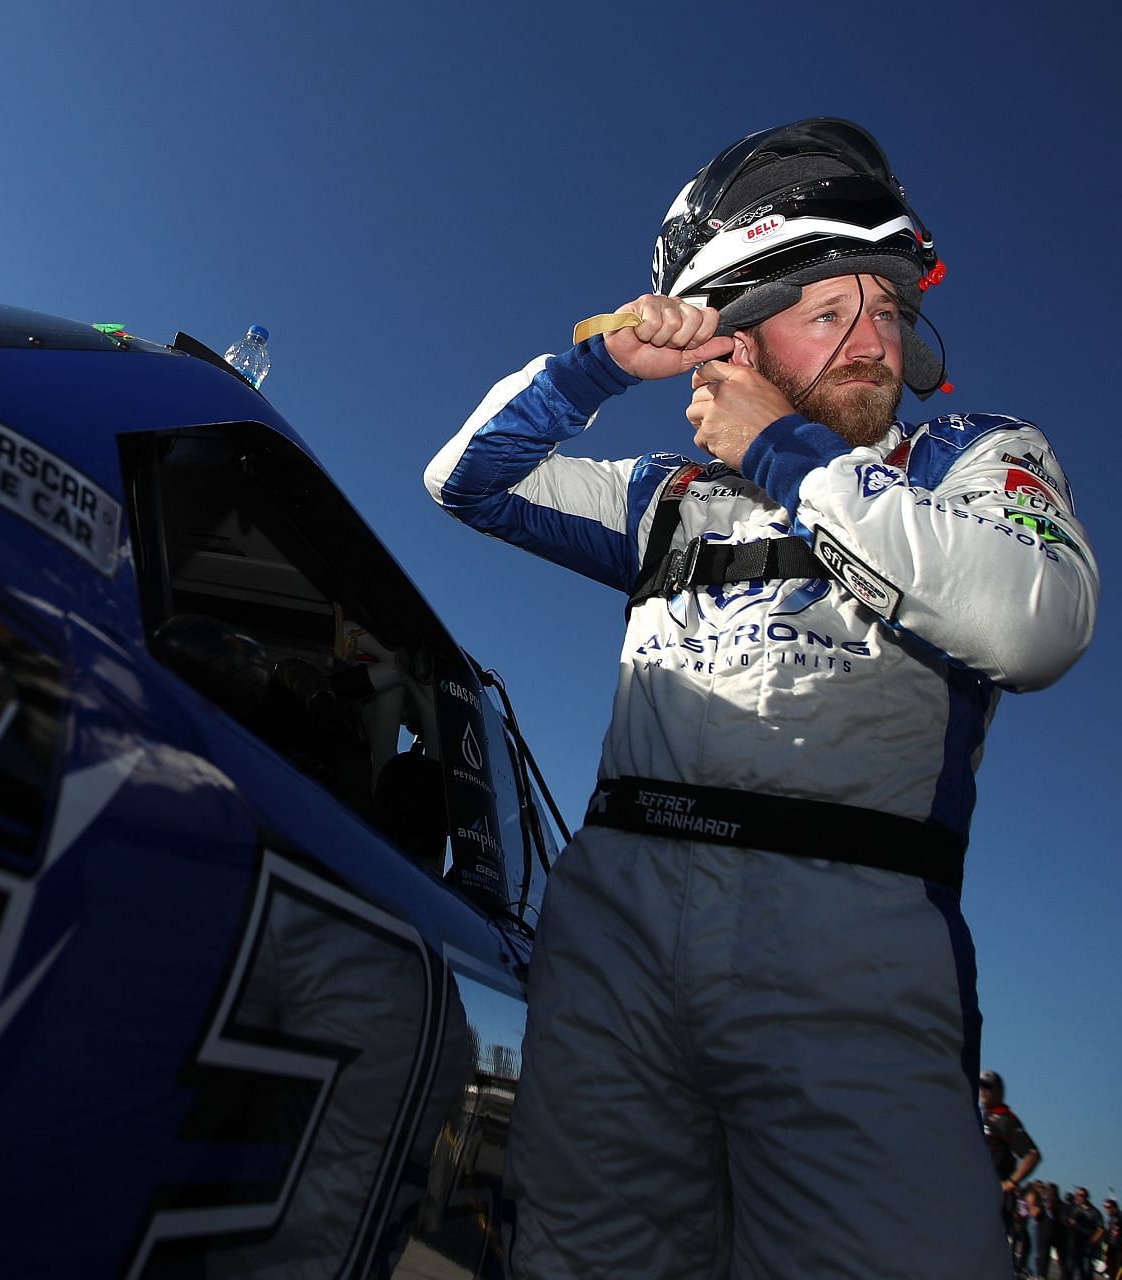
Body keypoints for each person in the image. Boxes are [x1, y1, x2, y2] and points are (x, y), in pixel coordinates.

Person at [423, 117, 1100, 1279]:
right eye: (828, 308)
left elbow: (1034, 622)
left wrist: (784, 449)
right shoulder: (670, 498)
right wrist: (599, 368)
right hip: (616, 939)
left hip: (853, 950)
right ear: (736, 336)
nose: (874, 338)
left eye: (888, 308)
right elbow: (466, 479)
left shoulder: (969, 458)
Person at [981, 1069, 1043, 1268]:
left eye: (987, 1087)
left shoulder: (1005, 1119)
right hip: (976, 1194)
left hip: (995, 1199)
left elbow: (1031, 1155)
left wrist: (1010, 1183)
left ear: (998, 1091)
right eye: (981, 1086)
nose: (983, 1091)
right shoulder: (979, 1115)